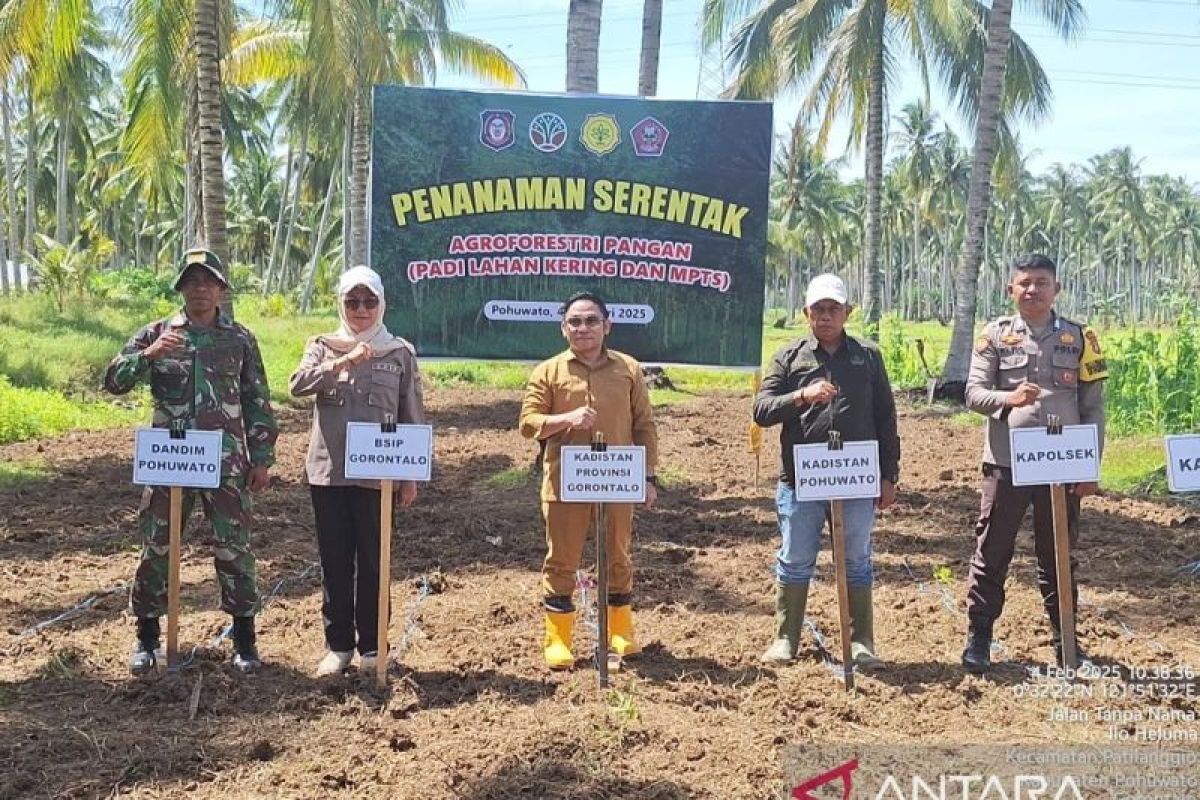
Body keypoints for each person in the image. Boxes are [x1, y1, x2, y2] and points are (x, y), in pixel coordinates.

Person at [104, 248, 278, 674]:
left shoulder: (239, 338)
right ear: (180, 288)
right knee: (157, 548)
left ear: (221, 288)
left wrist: (262, 459)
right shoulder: (157, 333)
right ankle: (147, 639)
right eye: (191, 281)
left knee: (234, 549)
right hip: (168, 461)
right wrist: (149, 356)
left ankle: (244, 642)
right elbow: (113, 382)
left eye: (208, 281)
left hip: (225, 463)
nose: (199, 289)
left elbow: (257, 401)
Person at [961, 254, 1107, 674]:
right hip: (1007, 463)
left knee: (1059, 554)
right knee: (992, 550)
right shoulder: (994, 336)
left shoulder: (1082, 338)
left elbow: (1093, 407)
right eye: (1024, 283)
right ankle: (979, 639)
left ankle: (1066, 643)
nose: (1032, 290)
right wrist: (1007, 399)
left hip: (1062, 464)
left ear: (1056, 289)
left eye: (1041, 282)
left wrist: (1089, 466)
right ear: (1011, 290)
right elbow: (972, 393)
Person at [753, 274, 900, 667]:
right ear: (806, 313)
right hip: (801, 480)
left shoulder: (867, 356)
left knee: (856, 559)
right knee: (796, 558)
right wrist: (802, 395)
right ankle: (785, 639)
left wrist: (889, 476)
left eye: (833, 308)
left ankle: (861, 642)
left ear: (847, 312)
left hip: (856, 478)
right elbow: (762, 411)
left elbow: (886, 417)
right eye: (818, 309)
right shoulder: (790, 357)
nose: (826, 316)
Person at [289, 266, 425, 677]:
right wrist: (343, 361)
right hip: (329, 472)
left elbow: (411, 413)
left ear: (381, 304)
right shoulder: (322, 346)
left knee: (374, 560)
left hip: (378, 477)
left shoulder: (398, 352)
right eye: (352, 301)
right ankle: (338, 646)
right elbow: (296, 384)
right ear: (341, 304)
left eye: (369, 301)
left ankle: (372, 646)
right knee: (334, 560)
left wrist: (410, 476)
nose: (361, 310)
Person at [519, 291, 659, 669]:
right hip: (565, 482)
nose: (583, 328)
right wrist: (564, 420)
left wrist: (648, 476)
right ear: (564, 329)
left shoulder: (628, 369)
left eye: (591, 320)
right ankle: (558, 639)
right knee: (562, 560)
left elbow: (644, 426)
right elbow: (527, 423)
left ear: (607, 325)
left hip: (618, 479)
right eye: (575, 322)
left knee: (618, 555)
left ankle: (621, 631)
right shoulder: (548, 372)